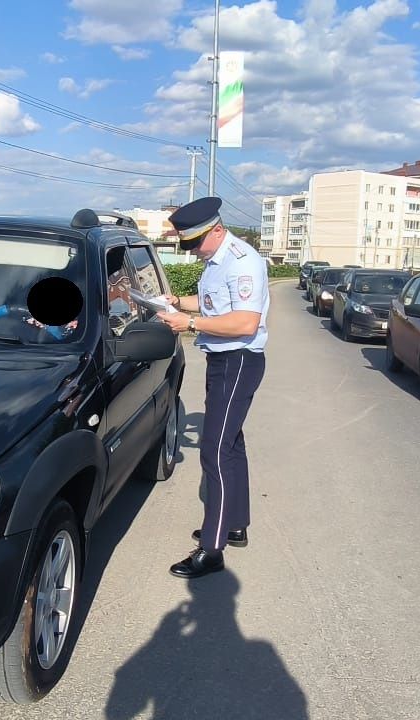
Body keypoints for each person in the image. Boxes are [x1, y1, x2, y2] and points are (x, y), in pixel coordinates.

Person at [154, 196, 269, 580]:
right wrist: (177, 303)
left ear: (216, 230)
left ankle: (212, 547)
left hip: (237, 360)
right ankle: (234, 523)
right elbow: (213, 304)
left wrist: (188, 325)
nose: (194, 251)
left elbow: (243, 324)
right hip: (223, 360)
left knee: (215, 452)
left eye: (196, 242)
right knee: (231, 445)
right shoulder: (217, 260)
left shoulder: (241, 262)